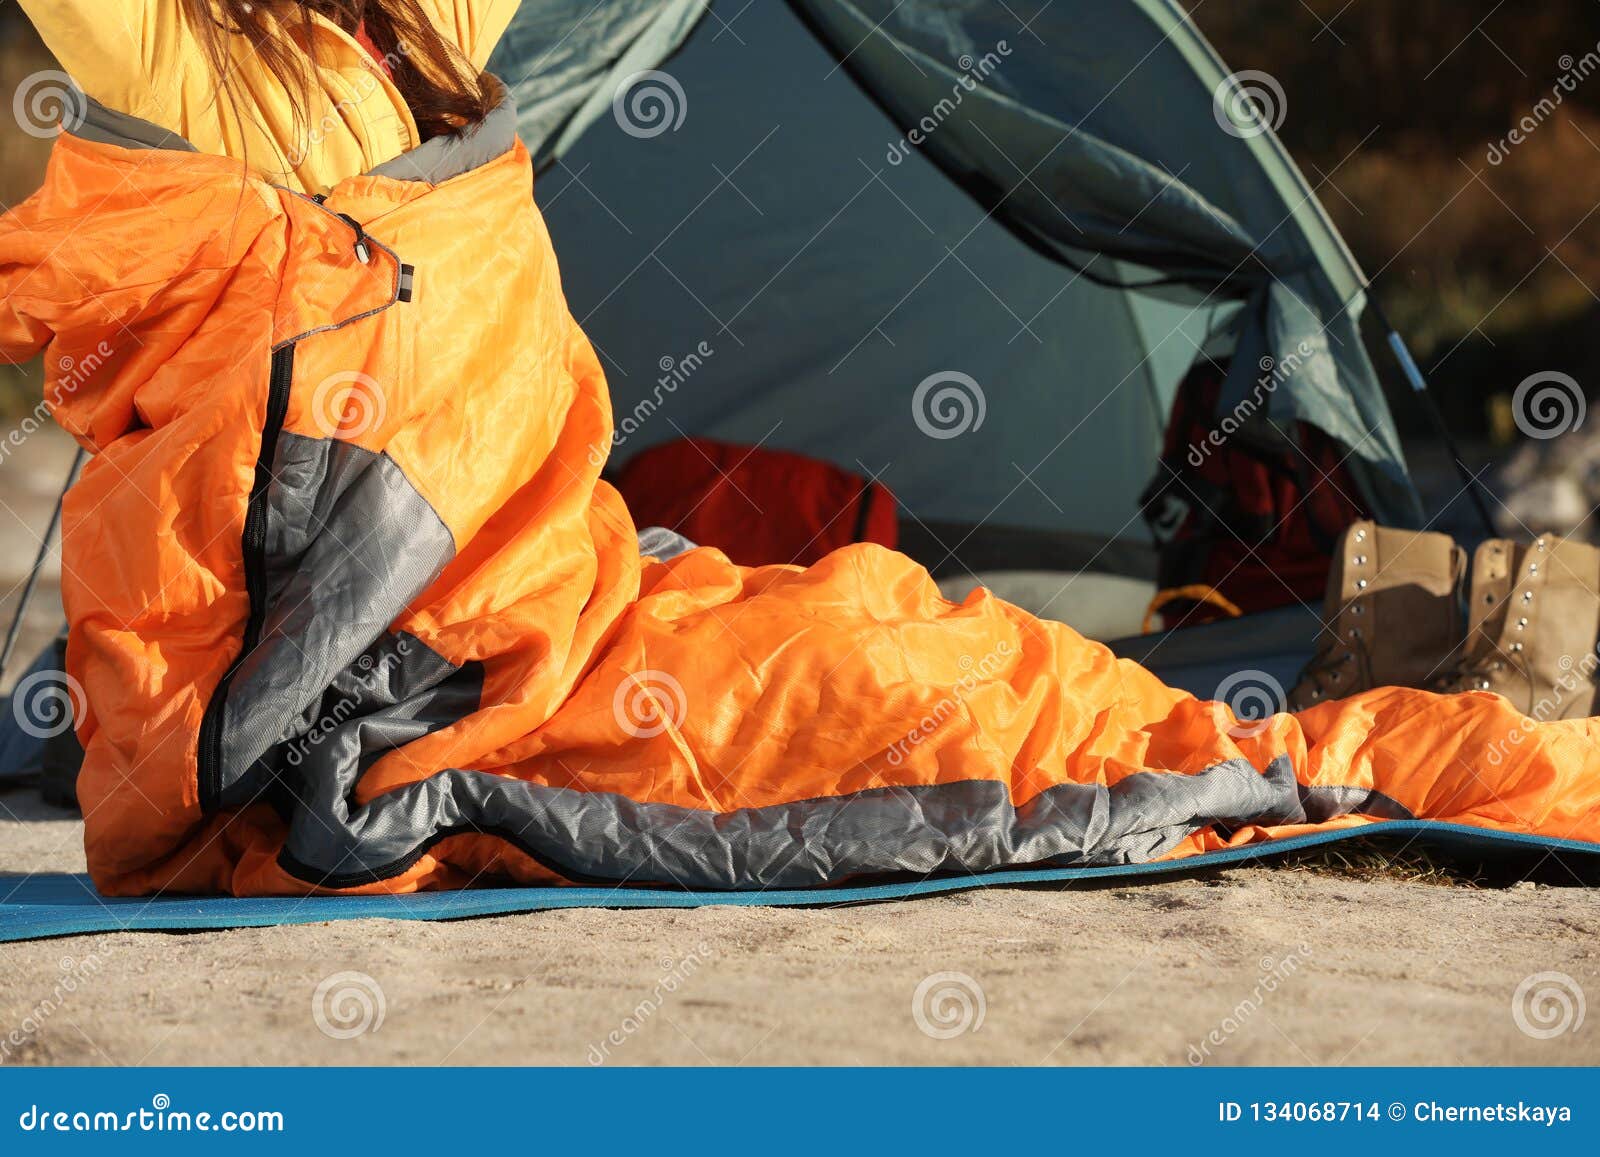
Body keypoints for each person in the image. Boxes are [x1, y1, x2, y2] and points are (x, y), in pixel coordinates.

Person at [3, 0, 1597, 897]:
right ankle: (1427, 732)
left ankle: (1420, 680)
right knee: (969, 722)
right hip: (447, 688)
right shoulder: (184, 63)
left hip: (580, 598)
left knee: (918, 635)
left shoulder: (428, 23)